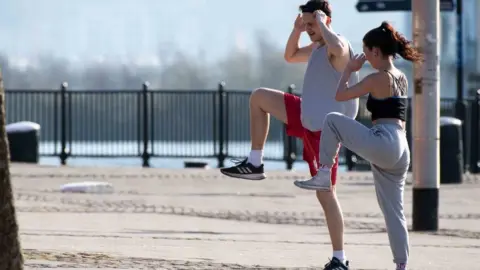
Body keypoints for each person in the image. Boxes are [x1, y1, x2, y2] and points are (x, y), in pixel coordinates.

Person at [220, 0, 359, 269]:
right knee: (259, 97)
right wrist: (296, 29)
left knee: (326, 193)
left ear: (325, 20)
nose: (309, 29)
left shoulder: (337, 45)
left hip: (325, 132)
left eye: (311, 24)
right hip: (305, 114)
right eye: (306, 24)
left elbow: (338, 48)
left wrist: (321, 24)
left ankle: (340, 259)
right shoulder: (318, 46)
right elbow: (290, 55)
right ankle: (255, 162)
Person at [294, 21, 422, 270]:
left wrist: (350, 69)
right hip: (401, 148)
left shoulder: (377, 78)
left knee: (331, 119)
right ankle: (402, 266)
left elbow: (340, 95)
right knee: (395, 213)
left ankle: (323, 173)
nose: (363, 58)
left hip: (383, 141)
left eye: (365, 52)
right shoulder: (401, 77)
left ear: (375, 51)